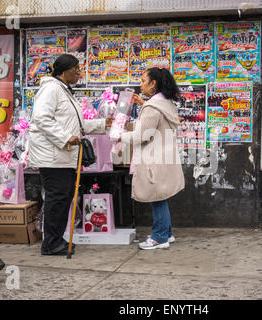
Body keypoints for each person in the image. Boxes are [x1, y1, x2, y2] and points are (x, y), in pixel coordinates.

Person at [28, 54, 112, 256]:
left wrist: (103, 124)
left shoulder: (65, 91)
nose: (79, 73)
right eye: (76, 69)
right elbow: (42, 119)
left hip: (63, 157)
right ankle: (50, 244)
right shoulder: (50, 89)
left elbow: (78, 125)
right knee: (57, 199)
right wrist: (66, 137)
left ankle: (56, 239)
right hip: (52, 157)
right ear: (65, 70)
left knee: (63, 198)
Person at [119, 67, 185, 250]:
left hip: (153, 160)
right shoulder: (165, 103)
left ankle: (160, 237)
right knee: (161, 197)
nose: (140, 84)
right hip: (164, 158)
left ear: (153, 84)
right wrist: (143, 105)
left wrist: (120, 136)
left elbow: (141, 136)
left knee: (157, 198)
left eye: (142, 80)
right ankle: (167, 233)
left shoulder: (152, 108)